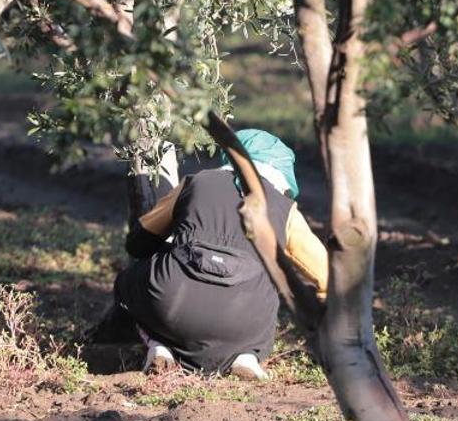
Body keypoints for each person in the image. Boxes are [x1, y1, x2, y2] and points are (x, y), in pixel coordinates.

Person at [111, 129, 328, 380]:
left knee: (128, 282)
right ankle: (247, 356)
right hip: (246, 318)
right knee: (265, 293)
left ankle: (159, 346)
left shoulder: (195, 183)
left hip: (171, 305)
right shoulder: (286, 210)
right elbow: (325, 276)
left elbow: (138, 244)